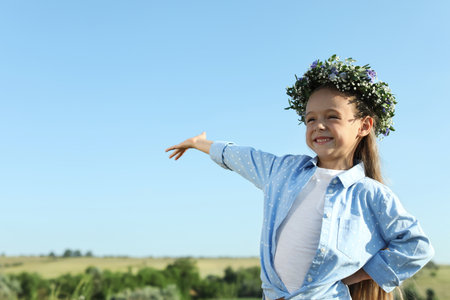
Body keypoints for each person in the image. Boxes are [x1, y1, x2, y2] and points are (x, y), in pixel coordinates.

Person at [165, 55, 434, 300]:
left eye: (332, 116)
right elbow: (241, 157)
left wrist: (354, 276)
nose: (318, 125)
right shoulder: (283, 171)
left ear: (363, 125)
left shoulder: (369, 193)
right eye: (310, 119)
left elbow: (417, 247)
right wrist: (201, 144)